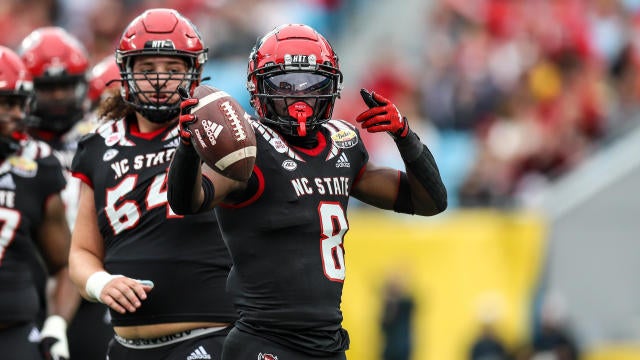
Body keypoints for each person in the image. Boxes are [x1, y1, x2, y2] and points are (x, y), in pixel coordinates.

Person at [167, 23, 448, 359]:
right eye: (285, 84)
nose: (300, 96)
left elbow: (431, 201)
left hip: (327, 344)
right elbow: (188, 201)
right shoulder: (248, 149)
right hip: (265, 341)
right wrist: (187, 151)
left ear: (331, 85)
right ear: (259, 88)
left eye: (312, 83)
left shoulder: (343, 147)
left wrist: (405, 136)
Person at [67, 8, 237, 360]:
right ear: (126, 73)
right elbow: (82, 252)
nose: (159, 80)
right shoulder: (96, 145)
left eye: (173, 69)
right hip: (126, 345)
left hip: (207, 335)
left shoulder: (216, 131)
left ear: (194, 73)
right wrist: (102, 283)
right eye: (147, 69)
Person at [18, 26, 112, 359]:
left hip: (91, 273)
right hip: (29, 275)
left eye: (65, 86)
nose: (58, 96)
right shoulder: (14, 143)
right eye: (48, 88)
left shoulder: (101, 135)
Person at [0, 45, 75, 360]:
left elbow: (65, 264)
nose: (19, 115)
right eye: (6, 104)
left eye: (20, 104)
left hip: (13, 331)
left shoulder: (37, 165)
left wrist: (56, 325)